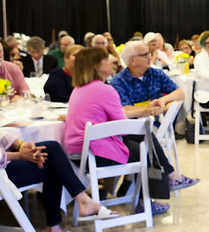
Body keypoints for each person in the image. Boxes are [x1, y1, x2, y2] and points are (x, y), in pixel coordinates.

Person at [0, 44, 117, 232]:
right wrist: (20, 156)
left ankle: (80, 204)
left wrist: (21, 144)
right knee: (51, 163)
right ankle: (62, 222)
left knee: (50, 150)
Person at [65, 47, 197, 216]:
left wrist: (145, 112)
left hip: (80, 153)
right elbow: (123, 125)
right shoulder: (105, 89)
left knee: (142, 141)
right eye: (107, 59)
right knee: (145, 146)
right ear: (97, 66)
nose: (113, 61)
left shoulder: (80, 89)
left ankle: (165, 182)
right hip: (95, 154)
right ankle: (154, 193)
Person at [110, 41, 199, 191]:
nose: (150, 57)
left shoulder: (155, 73)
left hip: (156, 124)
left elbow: (180, 93)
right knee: (140, 136)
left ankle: (137, 183)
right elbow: (124, 110)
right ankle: (166, 177)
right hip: (130, 128)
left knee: (146, 135)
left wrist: (163, 101)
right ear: (132, 60)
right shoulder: (119, 81)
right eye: (145, 54)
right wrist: (148, 109)